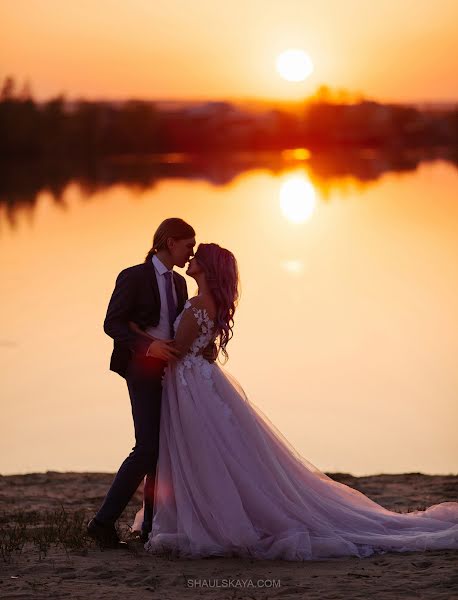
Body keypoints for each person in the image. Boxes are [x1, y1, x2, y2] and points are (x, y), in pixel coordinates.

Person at [131, 242, 458, 561]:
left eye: (197, 255)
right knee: (217, 453)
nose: (191, 257)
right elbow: (201, 345)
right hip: (200, 380)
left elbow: (177, 349)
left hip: (191, 385)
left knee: (203, 452)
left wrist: (139, 336)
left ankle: (212, 518)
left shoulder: (198, 304)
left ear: (208, 267)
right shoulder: (212, 303)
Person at [87, 218, 215, 548]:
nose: (191, 252)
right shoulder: (133, 276)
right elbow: (111, 322)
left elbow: (177, 328)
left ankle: (150, 528)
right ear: (170, 242)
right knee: (147, 447)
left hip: (172, 373)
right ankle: (102, 523)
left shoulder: (179, 283)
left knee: (163, 448)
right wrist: (148, 346)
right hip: (141, 368)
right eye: (188, 244)